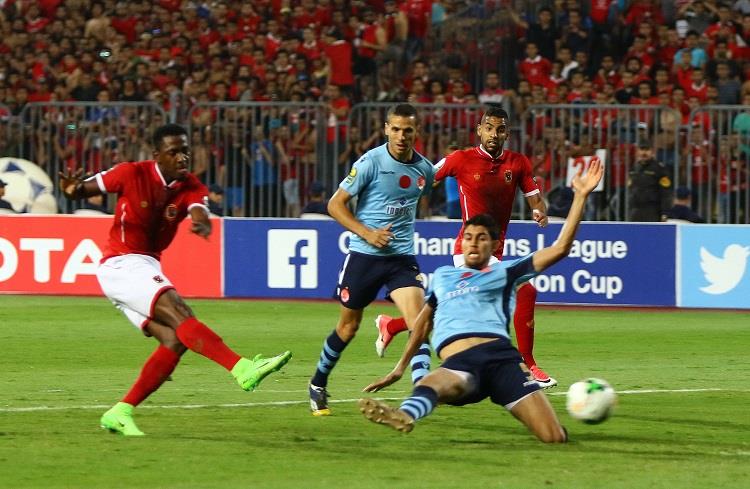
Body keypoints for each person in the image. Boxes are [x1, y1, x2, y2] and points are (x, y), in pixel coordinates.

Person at [58, 123, 292, 436]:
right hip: (121, 263)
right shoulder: (130, 173)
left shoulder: (191, 185)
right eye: (173, 152)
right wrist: (70, 189)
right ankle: (242, 368)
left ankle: (120, 412)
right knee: (181, 313)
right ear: (157, 155)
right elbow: (81, 190)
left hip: (144, 265)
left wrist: (202, 222)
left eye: (185, 150)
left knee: (174, 339)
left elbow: (198, 209)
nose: (182, 157)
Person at [358, 158, 604, 442]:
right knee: (432, 383)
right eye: (468, 237)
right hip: (461, 363)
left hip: (504, 363)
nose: (473, 243)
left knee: (554, 437)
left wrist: (580, 197)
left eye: (481, 238)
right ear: (461, 243)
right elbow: (422, 324)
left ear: (495, 245)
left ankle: (543, 411)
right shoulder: (444, 276)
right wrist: (400, 368)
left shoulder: (507, 271)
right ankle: (405, 414)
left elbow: (560, 248)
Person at [375, 106, 557, 388]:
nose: (494, 134)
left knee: (454, 308)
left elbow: (534, 197)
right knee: (525, 290)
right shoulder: (461, 159)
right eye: (489, 128)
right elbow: (425, 178)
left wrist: (539, 211)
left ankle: (393, 324)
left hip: (494, 250)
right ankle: (527, 365)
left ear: (507, 133)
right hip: (469, 248)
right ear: (479, 130)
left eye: (500, 130)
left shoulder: (518, 163)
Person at [308, 103, 435, 416]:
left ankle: (422, 390)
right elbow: (335, 205)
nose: (401, 136)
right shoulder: (370, 162)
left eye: (408, 130)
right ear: (386, 129)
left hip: (401, 258)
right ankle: (318, 382)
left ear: (417, 132)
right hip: (365, 256)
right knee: (348, 328)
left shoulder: (425, 170)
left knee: (419, 322)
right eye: (396, 129)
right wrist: (367, 233)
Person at [627, 139, 672, 222]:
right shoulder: (633, 169)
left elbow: (665, 193)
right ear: (637, 151)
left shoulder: (659, 169)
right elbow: (630, 189)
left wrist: (665, 213)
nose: (644, 153)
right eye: (642, 149)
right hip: (635, 209)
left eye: (647, 150)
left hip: (652, 210)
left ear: (652, 152)